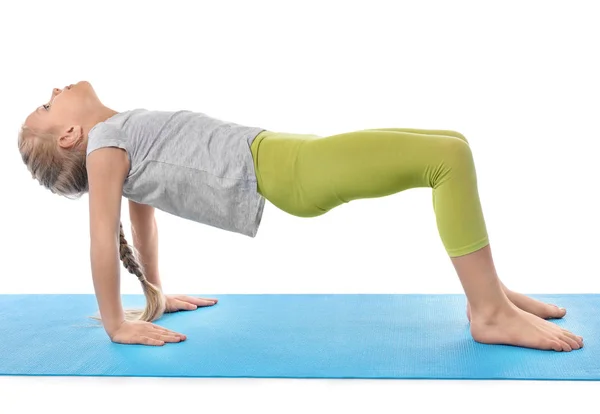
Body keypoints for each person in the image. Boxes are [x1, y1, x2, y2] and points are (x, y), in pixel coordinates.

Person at [17, 80, 583, 352]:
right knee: (448, 159)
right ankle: (487, 312)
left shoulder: (120, 137)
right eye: (48, 105)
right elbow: (101, 236)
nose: (56, 91)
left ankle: (492, 291)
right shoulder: (106, 143)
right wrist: (117, 323)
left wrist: (157, 291)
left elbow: (144, 217)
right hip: (291, 170)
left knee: (450, 141)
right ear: (70, 136)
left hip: (287, 152)